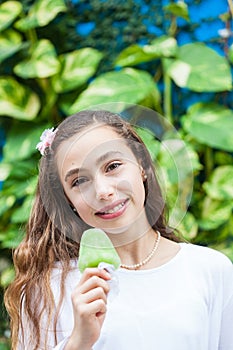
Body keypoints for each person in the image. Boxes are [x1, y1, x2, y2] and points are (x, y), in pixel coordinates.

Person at [4, 110, 233, 350]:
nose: (103, 191)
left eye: (113, 166)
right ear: (68, 200)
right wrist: (78, 342)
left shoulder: (210, 270)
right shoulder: (48, 290)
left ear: (142, 165)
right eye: (79, 181)